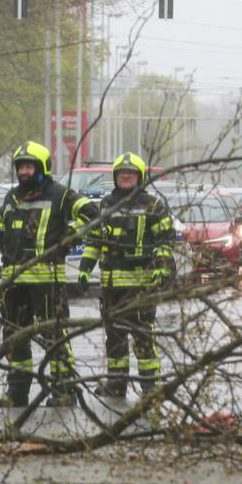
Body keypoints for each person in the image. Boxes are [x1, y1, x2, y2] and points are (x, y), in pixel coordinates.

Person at [0, 141, 98, 407]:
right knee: (15, 338)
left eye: (29, 167)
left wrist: (72, 231)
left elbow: (92, 214)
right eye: (21, 167)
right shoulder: (12, 196)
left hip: (48, 282)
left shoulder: (61, 195)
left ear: (43, 168)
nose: (24, 172)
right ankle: (17, 392)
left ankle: (63, 390)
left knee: (55, 336)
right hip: (14, 282)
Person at [76, 152, 173, 398]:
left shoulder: (153, 205)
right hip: (111, 289)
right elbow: (94, 241)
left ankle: (150, 386)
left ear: (140, 178)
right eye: (122, 174)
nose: (126, 177)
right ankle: (116, 384)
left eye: (131, 174)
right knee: (114, 339)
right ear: (115, 177)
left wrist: (162, 268)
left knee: (143, 338)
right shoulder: (106, 204)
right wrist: (85, 269)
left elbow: (164, 241)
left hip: (141, 287)